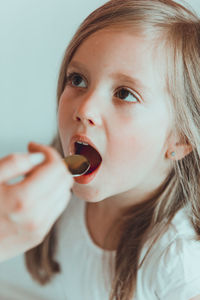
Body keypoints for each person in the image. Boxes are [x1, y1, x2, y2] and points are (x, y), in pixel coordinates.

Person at [0, 0, 200, 299]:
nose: (84, 108)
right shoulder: (55, 202)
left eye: (124, 94)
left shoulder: (181, 265)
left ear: (180, 139)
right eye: (77, 80)